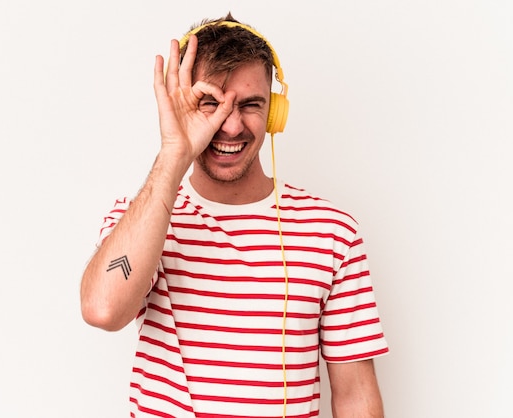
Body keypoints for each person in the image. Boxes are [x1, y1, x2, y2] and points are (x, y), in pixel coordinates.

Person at [80, 12, 389, 418]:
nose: (230, 126)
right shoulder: (140, 218)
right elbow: (103, 309)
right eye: (210, 103)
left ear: (275, 113)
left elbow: (354, 396)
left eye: (250, 104)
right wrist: (174, 152)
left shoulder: (332, 232)